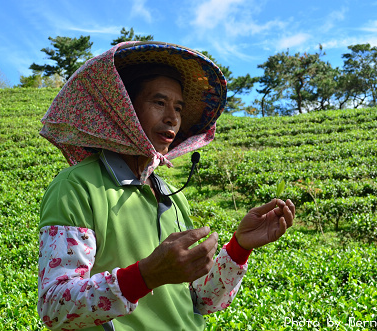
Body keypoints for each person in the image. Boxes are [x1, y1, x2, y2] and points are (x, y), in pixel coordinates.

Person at [37, 41, 295, 331]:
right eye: (159, 103)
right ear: (125, 110)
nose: (172, 117)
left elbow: (199, 299)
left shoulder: (170, 196)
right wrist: (145, 275)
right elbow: (55, 307)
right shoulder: (78, 187)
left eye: (178, 107)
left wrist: (239, 247)